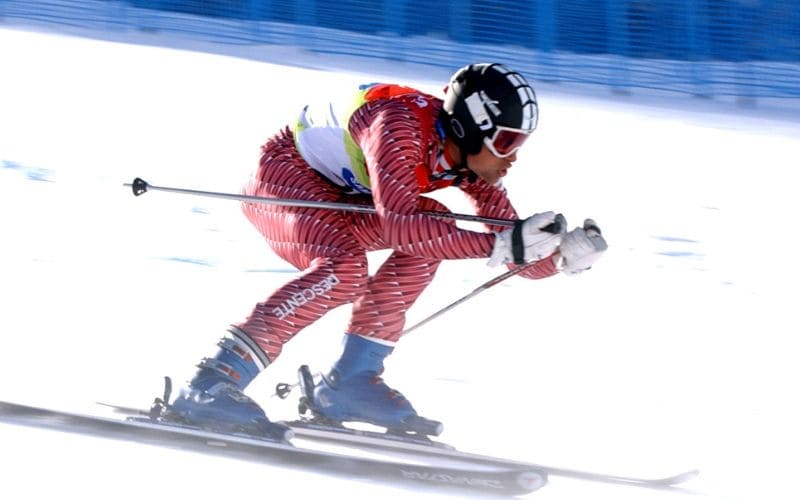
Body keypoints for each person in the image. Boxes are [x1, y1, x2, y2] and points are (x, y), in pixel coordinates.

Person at [167, 63, 608, 439]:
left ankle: (349, 381)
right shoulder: (397, 127)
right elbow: (400, 226)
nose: (512, 158)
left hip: (340, 196)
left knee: (432, 224)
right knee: (346, 268)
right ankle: (212, 381)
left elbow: (508, 246)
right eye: (508, 142)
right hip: (283, 182)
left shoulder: (465, 160)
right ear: (474, 127)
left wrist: (559, 258)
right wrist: (500, 244)